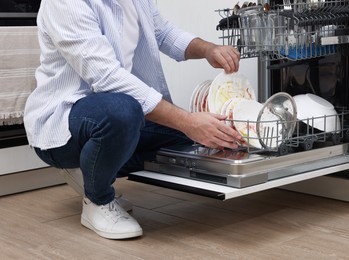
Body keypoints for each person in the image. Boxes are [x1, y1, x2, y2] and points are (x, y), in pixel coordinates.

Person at [24, 0, 242, 240]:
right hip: (63, 122)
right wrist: (188, 121)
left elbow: (163, 33)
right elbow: (107, 77)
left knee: (188, 138)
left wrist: (208, 49)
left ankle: (90, 169)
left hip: (116, 113)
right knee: (124, 111)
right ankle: (98, 201)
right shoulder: (65, 3)